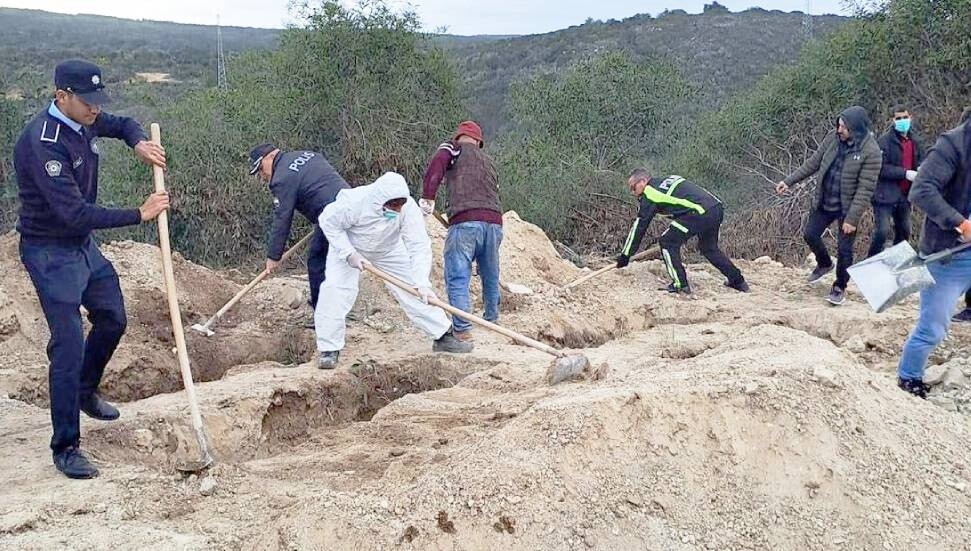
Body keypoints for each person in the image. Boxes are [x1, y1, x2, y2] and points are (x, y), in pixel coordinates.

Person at [13, 60, 169, 479]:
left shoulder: (85, 118)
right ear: (60, 96)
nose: (96, 110)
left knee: (113, 317)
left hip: (81, 246)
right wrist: (140, 214)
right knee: (67, 344)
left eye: (99, 101)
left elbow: (124, 122)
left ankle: (84, 390)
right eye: (88, 102)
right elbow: (74, 214)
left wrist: (137, 141)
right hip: (49, 251)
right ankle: (66, 446)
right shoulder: (42, 143)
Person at [314, 171, 473, 368]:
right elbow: (328, 222)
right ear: (379, 200)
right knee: (335, 291)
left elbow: (418, 245)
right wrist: (348, 253)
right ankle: (329, 349)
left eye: (400, 205)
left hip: (389, 249)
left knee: (413, 290)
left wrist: (422, 282)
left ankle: (442, 335)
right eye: (392, 205)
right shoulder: (353, 203)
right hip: (352, 248)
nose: (397, 210)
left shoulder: (408, 209)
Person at [896, 112, 971, 398]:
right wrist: (960, 223)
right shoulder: (952, 145)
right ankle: (908, 380)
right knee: (932, 328)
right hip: (948, 255)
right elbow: (922, 189)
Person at [776, 106, 882, 306]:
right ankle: (824, 263)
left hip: (847, 207)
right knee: (810, 234)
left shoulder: (871, 152)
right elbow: (813, 163)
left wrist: (852, 219)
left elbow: (865, 189)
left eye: (844, 127)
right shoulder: (833, 139)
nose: (839, 130)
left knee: (844, 249)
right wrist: (788, 181)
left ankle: (839, 286)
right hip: (825, 200)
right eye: (839, 125)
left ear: (857, 129)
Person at [248, 144, 350, 325]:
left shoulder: (281, 178)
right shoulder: (306, 154)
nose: (262, 175)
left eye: (261, 169)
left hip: (332, 215)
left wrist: (273, 256)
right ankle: (332, 305)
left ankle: (324, 316)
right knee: (333, 260)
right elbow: (320, 183)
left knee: (317, 262)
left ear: (270, 157)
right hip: (348, 201)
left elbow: (283, 218)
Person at [419, 121, 501, 341]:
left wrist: (428, 196)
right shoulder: (488, 161)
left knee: (458, 274)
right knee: (490, 272)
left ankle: (462, 329)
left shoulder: (453, 148)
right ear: (478, 141)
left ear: (459, 137)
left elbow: (437, 164)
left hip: (465, 221)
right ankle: (492, 320)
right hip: (494, 222)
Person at [617, 168, 748, 294]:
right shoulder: (669, 179)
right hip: (716, 208)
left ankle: (680, 284)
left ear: (643, 181)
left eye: (633, 187)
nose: (632, 192)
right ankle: (738, 281)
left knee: (667, 242)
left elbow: (640, 226)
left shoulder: (651, 193)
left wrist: (625, 255)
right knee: (708, 248)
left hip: (698, 212)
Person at [866, 105, 925, 257]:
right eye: (898, 118)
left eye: (904, 117)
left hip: (905, 195)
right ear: (893, 120)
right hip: (884, 195)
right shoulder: (884, 142)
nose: (902, 121)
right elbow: (880, 168)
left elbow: (921, 160)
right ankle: (870, 262)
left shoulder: (916, 141)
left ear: (910, 117)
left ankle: (896, 263)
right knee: (882, 232)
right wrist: (905, 173)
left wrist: (921, 169)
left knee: (904, 231)